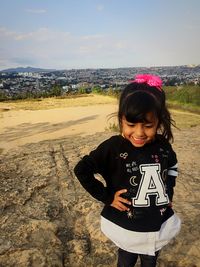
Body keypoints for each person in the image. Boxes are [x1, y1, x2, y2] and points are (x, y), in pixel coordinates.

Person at [74, 74, 181, 267]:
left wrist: (168, 192)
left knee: (150, 261)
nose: (139, 133)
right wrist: (107, 197)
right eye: (131, 125)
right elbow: (82, 170)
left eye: (148, 126)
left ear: (159, 121)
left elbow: (172, 167)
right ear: (121, 120)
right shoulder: (113, 148)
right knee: (125, 261)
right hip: (127, 228)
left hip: (156, 227)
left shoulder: (163, 146)